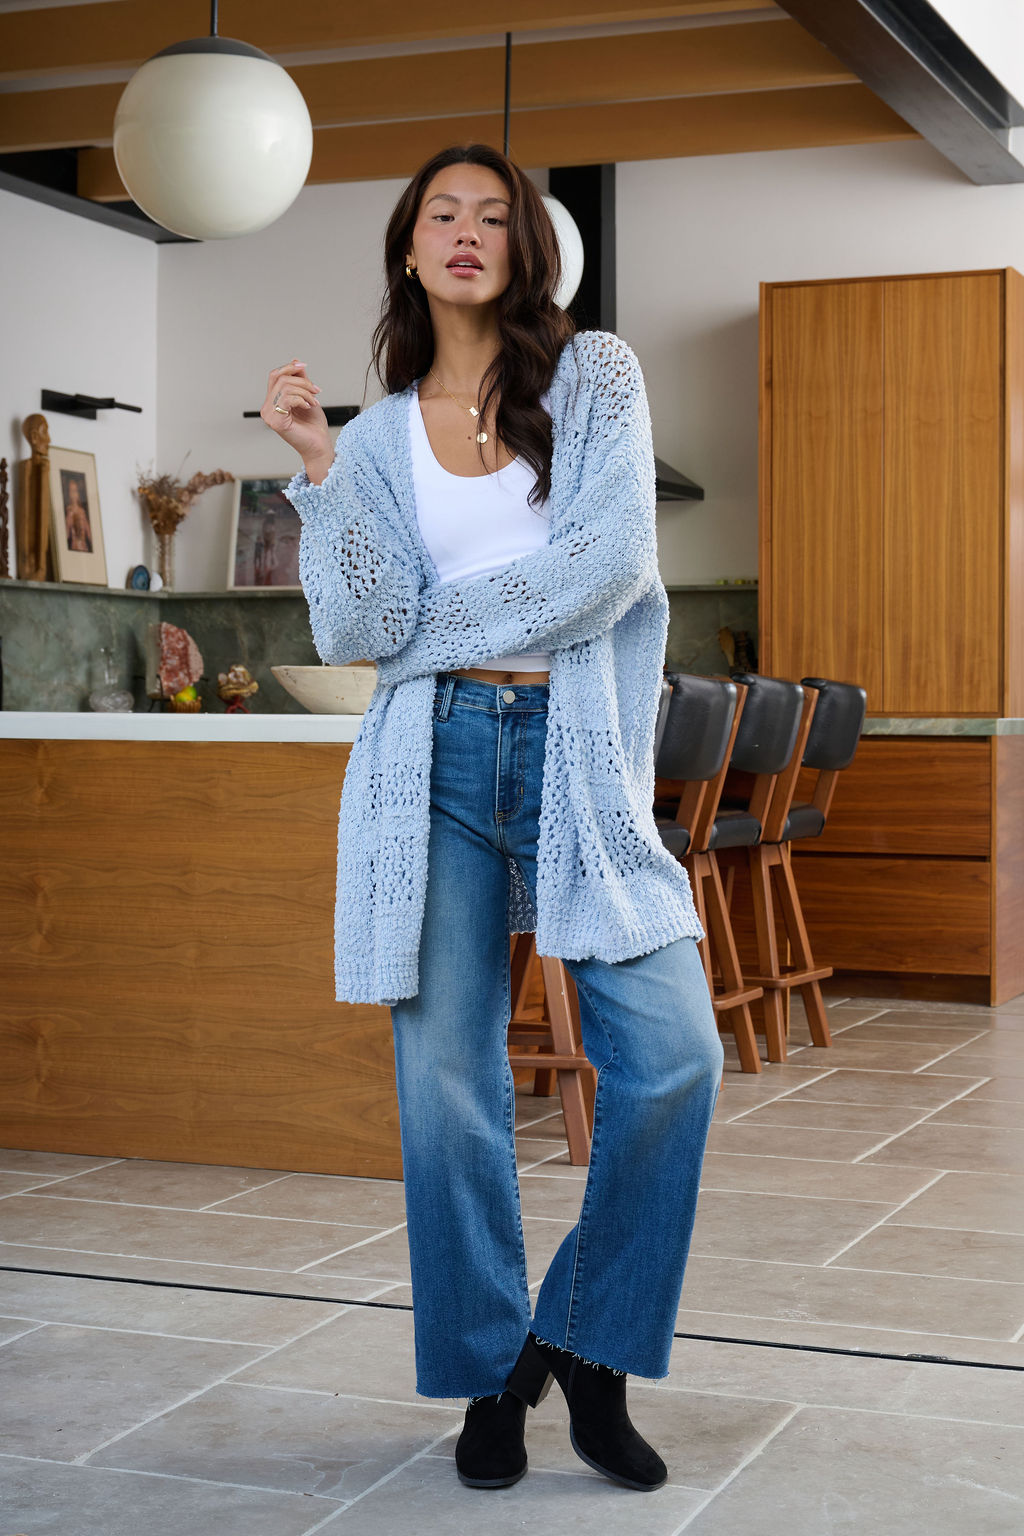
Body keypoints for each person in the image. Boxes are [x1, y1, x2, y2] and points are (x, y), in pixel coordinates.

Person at [261, 142, 724, 1495]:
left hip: (575, 753)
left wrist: (428, 633)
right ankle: (483, 1378)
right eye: (439, 214)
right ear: (408, 248)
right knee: (450, 1093)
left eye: (493, 216)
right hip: (435, 763)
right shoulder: (384, 425)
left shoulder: (596, 378)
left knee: (677, 1057)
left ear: (528, 248)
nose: (466, 231)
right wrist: (321, 468)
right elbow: (357, 628)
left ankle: (582, 1338)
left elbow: (608, 563)